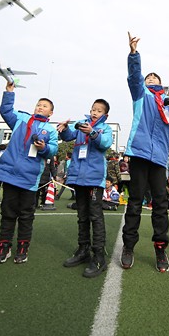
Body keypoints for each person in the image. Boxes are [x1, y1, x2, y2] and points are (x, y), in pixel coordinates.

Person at [121, 32, 169, 273]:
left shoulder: (168, 101)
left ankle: (160, 248)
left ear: (162, 82)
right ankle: (128, 247)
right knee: (135, 201)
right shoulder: (140, 94)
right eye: (148, 77)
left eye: (154, 77)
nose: (150, 78)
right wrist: (134, 53)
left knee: (160, 203)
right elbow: (134, 76)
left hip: (158, 158)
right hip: (138, 154)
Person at [0, 81, 58, 264]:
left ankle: (22, 247)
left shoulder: (51, 130)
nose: (40, 107)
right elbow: (6, 111)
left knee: (26, 215)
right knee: (7, 213)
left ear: (50, 113)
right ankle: (4, 247)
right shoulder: (21, 119)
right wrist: (9, 92)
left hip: (30, 179)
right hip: (10, 175)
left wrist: (44, 147)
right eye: (38, 104)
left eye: (44, 106)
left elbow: (53, 150)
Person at [58, 99, 114, 278]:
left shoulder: (105, 128)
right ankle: (83, 250)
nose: (94, 112)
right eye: (93, 109)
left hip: (94, 179)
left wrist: (93, 133)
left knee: (95, 216)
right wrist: (65, 128)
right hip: (78, 177)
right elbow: (67, 137)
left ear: (105, 115)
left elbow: (105, 143)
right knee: (82, 215)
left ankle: (99, 256)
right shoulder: (81, 126)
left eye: (98, 110)